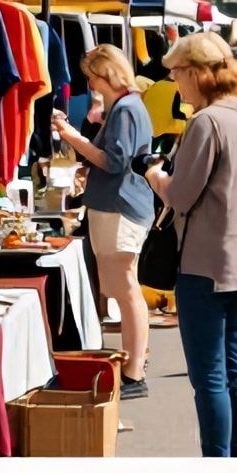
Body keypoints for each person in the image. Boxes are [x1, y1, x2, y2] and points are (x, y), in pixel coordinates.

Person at [144, 32, 237, 456]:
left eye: (177, 74)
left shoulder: (206, 121)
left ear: (196, 74)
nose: (175, 83)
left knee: (209, 376)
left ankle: (217, 465)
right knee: (235, 370)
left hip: (205, 262)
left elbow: (180, 196)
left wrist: (154, 173)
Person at [51, 45, 154, 399]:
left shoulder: (125, 108)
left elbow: (114, 162)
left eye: (92, 75)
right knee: (123, 288)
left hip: (118, 206)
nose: (90, 82)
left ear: (105, 74)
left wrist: (73, 139)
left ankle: (135, 369)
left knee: (123, 288)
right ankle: (136, 361)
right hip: (120, 204)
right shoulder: (126, 106)